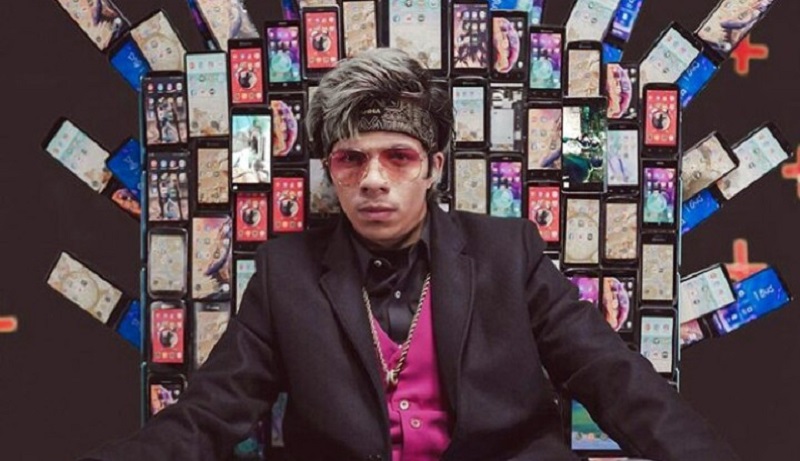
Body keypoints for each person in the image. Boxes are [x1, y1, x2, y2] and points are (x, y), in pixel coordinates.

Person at [81, 48, 740, 461]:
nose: (373, 179)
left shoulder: (507, 251)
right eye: (351, 159)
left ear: (433, 168)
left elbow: (612, 376)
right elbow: (208, 415)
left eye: (397, 156)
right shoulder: (285, 273)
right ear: (331, 171)